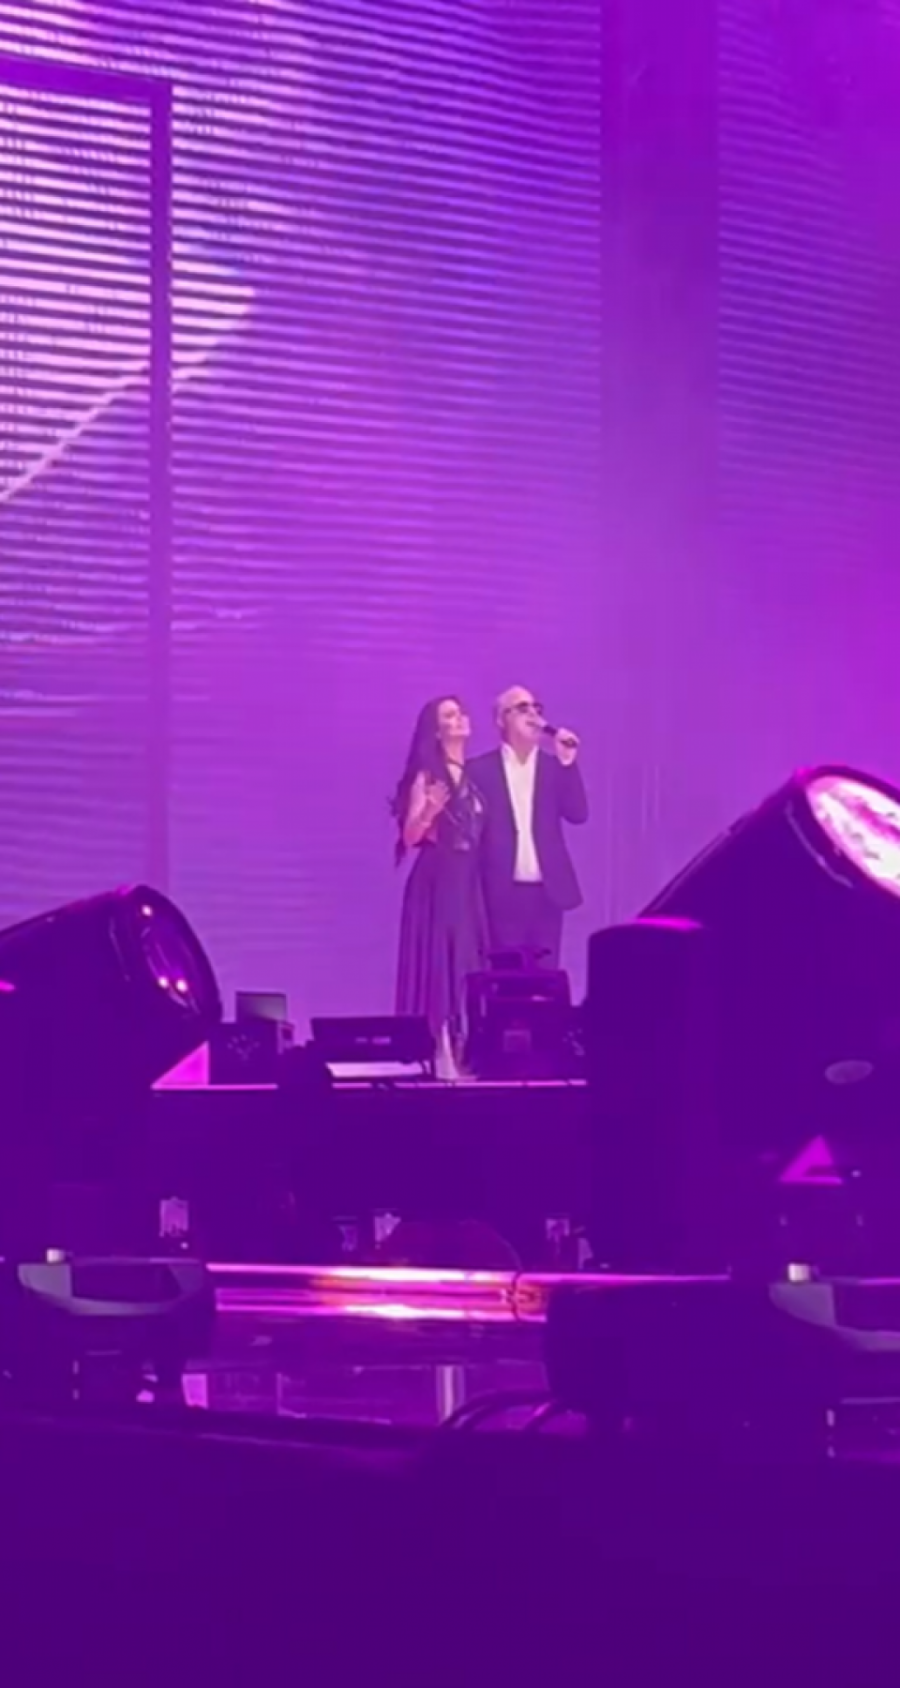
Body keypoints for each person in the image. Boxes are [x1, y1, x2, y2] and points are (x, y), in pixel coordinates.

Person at [392, 696, 486, 1075]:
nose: (460, 718)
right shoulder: (427, 777)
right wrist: (429, 809)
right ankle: (441, 1055)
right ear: (436, 730)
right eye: (450, 715)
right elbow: (410, 836)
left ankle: (468, 1052)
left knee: (468, 963)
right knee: (441, 967)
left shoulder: (473, 778)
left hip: (468, 881)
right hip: (438, 879)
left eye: (461, 712)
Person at [469, 685, 587, 969]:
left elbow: (578, 814)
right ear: (501, 720)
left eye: (536, 708)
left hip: (547, 891)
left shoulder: (553, 767)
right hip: (500, 892)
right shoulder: (479, 770)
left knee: (544, 977)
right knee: (506, 977)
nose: (532, 714)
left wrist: (568, 764)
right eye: (522, 708)